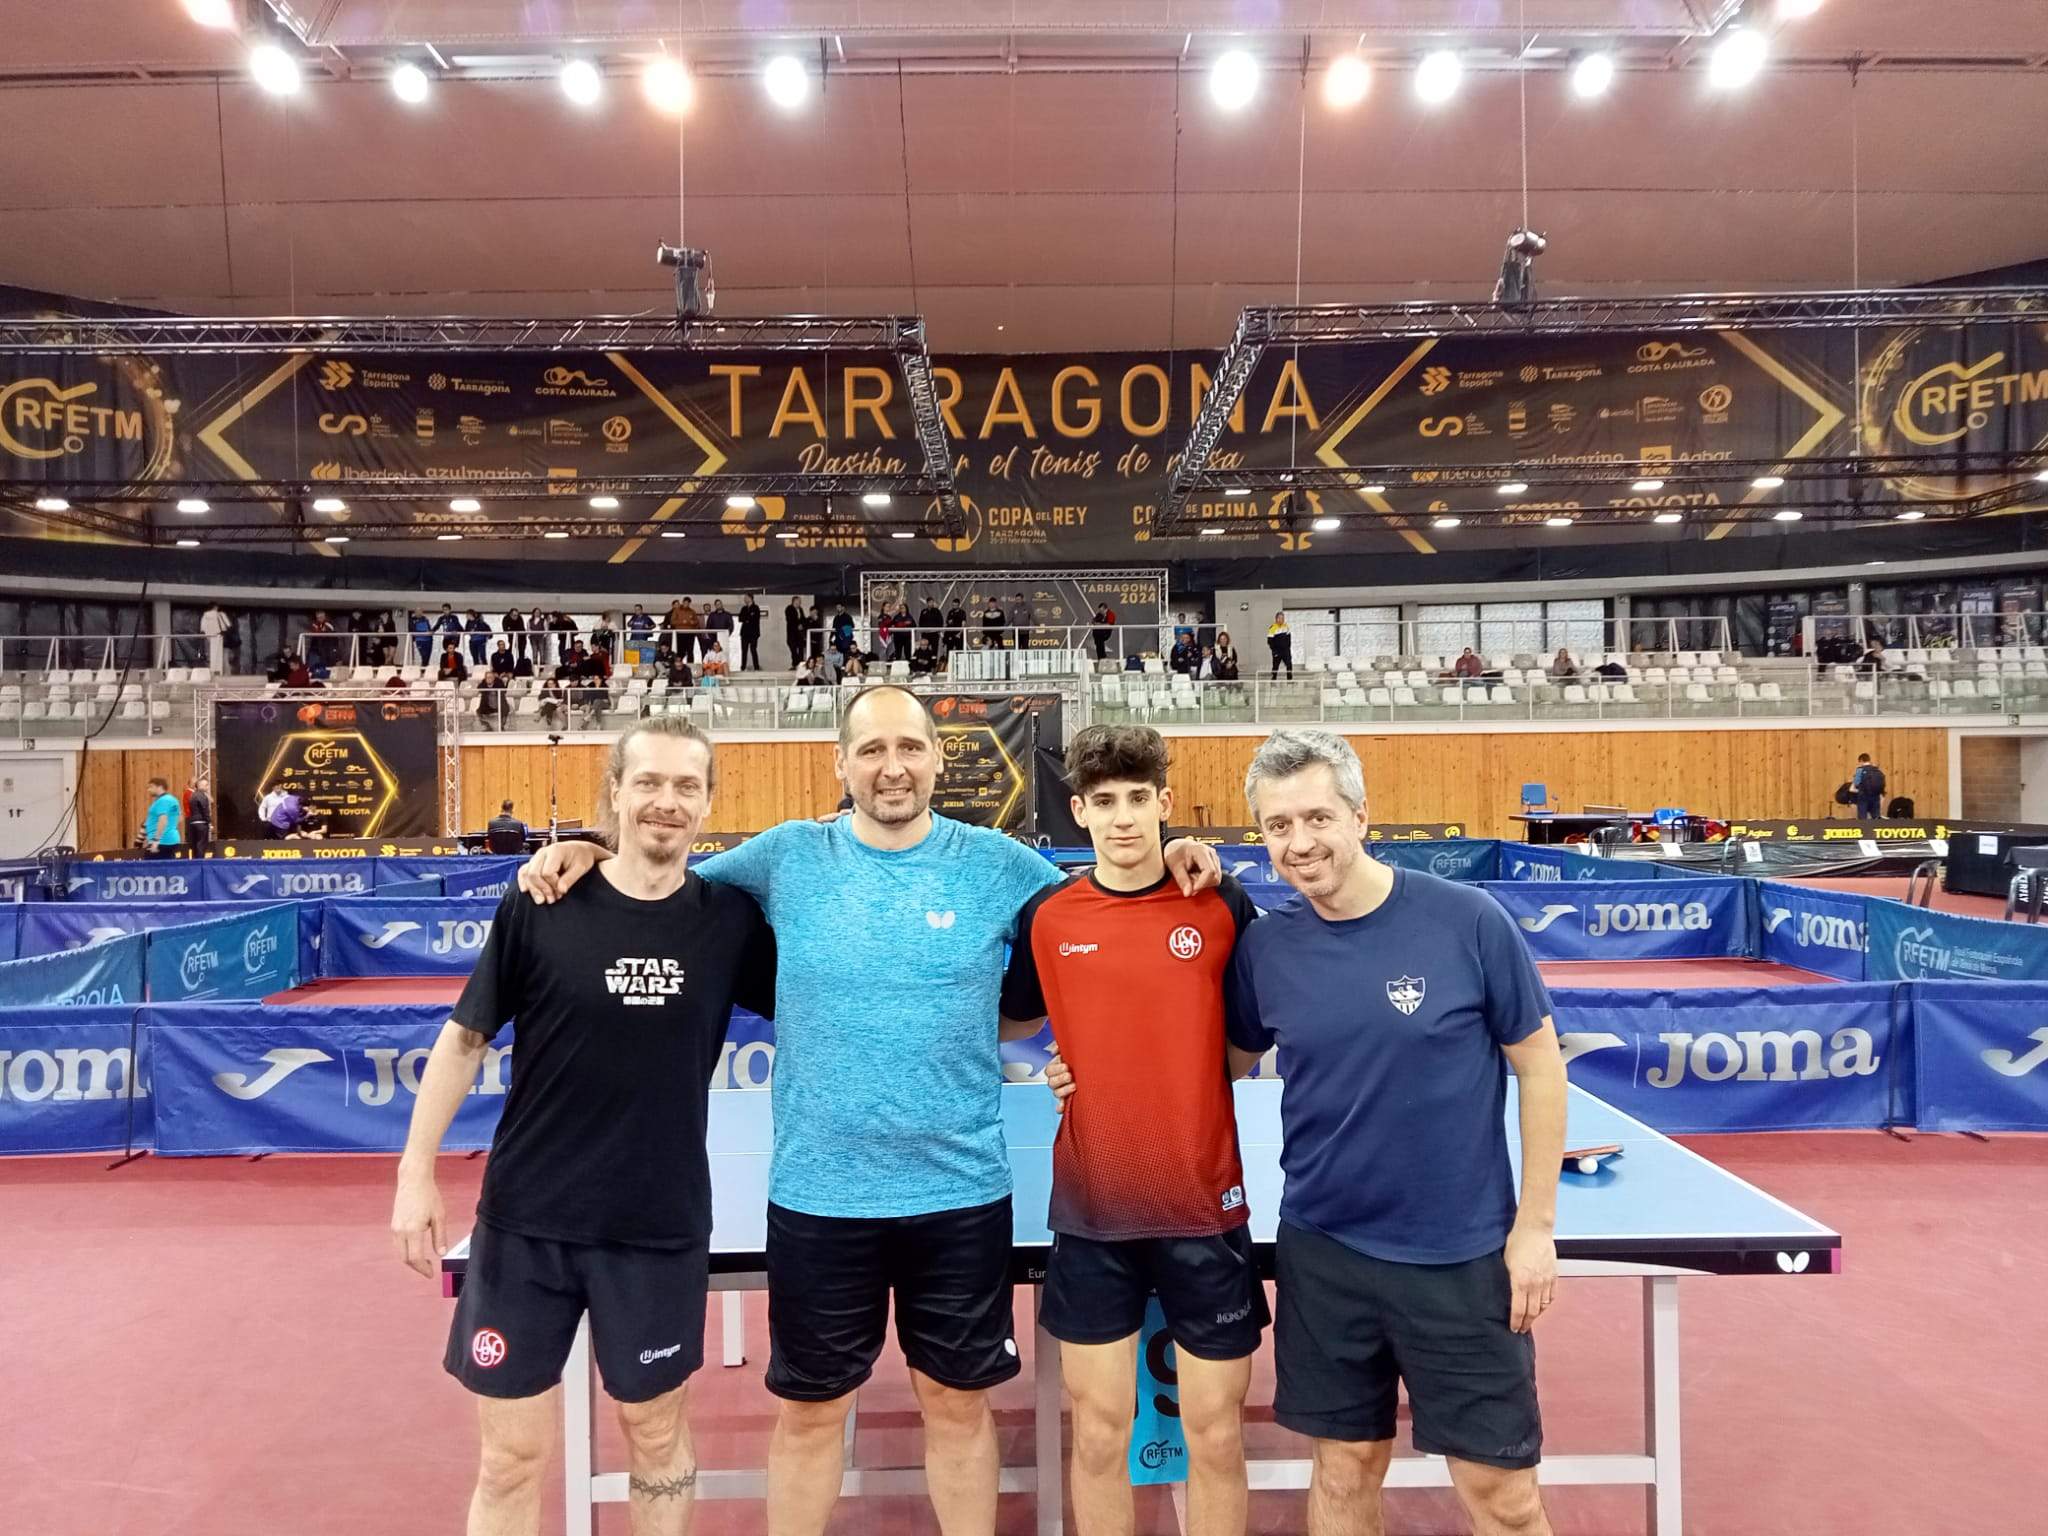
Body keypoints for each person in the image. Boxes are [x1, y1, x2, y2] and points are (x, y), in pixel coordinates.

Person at [515, 686, 1222, 1536]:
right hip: (821, 1197)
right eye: (873, 750)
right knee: (812, 1414)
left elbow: (1113, 891)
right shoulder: (785, 856)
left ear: (936, 757)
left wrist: (1177, 846)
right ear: (840, 763)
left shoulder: (995, 863)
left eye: (911, 748)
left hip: (959, 1194)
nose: (893, 767)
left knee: (958, 1409)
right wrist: (593, 849)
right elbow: (658, 883)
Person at [394, 717, 776, 1536]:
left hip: (657, 1228)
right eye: (648, 783)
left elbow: (832, 1004)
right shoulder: (541, 901)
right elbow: (464, 1039)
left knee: (656, 1438)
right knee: (509, 1458)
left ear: (709, 804)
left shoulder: (729, 923)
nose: (665, 803)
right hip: (526, 1225)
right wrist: (414, 1173)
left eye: (685, 787)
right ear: (615, 793)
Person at [1224, 729, 1566, 1536]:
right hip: (1325, 1252)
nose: (1300, 843)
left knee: (1504, 1498)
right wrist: (1085, 1069)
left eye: (1318, 817)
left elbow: (1541, 1068)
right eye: (1278, 826)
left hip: (1460, 1257)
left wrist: (1536, 1229)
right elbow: (1221, 1064)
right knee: (1342, 1474)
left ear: (1360, 816)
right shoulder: (1268, 946)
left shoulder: (1467, 922)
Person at [999, 726, 1268, 1536]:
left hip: (1204, 1210)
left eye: (1138, 800)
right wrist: (1064, 1062)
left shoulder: (1220, 903)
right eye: (1104, 802)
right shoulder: (1047, 915)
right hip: (1093, 1215)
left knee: (1217, 1437)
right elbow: (1010, 1021)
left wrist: (1168, 1068)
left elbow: (1245, 1046)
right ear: (1078, 810)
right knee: (1099, 1435)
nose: (1123, 818)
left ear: (1163, 803)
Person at [140, 776, 183, 857]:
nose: (148, 790)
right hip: (171, 839)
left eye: (151, 787)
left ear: (160, 787)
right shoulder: (173, 799)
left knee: (150, 868)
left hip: (161, 842)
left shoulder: (163, 801)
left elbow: (163, 820)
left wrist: (156, 840)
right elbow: (179, 818)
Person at [1852, 753, 1887, 821]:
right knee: (1876, 818)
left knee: (1862, 819)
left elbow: (1855, 784)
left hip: (1863, 797)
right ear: (1869, 760)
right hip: (1876, 797)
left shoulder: (1860, 770)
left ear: (1861, 760)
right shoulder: (1877, 770)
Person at [199, 601, 231, 674]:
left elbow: (203, 628)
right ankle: (226, 675)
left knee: (211, 657)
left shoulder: (205, 615)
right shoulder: (221, 614)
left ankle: (213, 673)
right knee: (224, 658)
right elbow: (228, 625)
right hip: (221, 638)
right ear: (216, 607)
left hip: (210, 639)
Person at [183, 776, 212, 852]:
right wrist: (208, 821)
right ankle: (200, 861)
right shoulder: (191, 794)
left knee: (196, 844)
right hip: (197, 820)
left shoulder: (194, 794)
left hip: (193, 820)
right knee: (200, 844)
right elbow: (204, 808)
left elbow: (211, 801)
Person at [738, 595, 763, 672]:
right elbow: (740, 618)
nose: (745, 599)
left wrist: (747, 619)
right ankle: (743, 667)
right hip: (744, 633)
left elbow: (755, 619)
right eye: (744, 598)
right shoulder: (744, 608)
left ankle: (756, 667)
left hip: (753, 633)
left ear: (751, 598)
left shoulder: (756, 608)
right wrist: (748, 618)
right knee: (744, 650)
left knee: (753, 649)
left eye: (746, 598)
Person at [1266, 612, 1294, 679]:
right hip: (1277, 651)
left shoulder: (1286, 626)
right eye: (1280, 618)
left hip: (1285, 650)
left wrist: (1288, 648)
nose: (1282, 619)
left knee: (1289, 664)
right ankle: (1273, 679)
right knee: (1275, 666)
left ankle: (1290, 680)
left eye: (1283, 618)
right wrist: (1274, 651)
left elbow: (1289, 638)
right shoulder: (1272, 628)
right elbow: (1270, 641)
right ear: (1277, 619)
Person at [785, 597, 809, 668]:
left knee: (801, 648)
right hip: (792, 633)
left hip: (799, 633)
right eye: (799, 601)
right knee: (793, 648)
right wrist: (797, 625)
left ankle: (801, 663)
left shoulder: (800, 609)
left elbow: (803, 619)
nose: (800, 603)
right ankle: (795, 663)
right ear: (794, 601)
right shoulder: (789, 609)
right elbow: (790, 619)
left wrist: (802, 625)